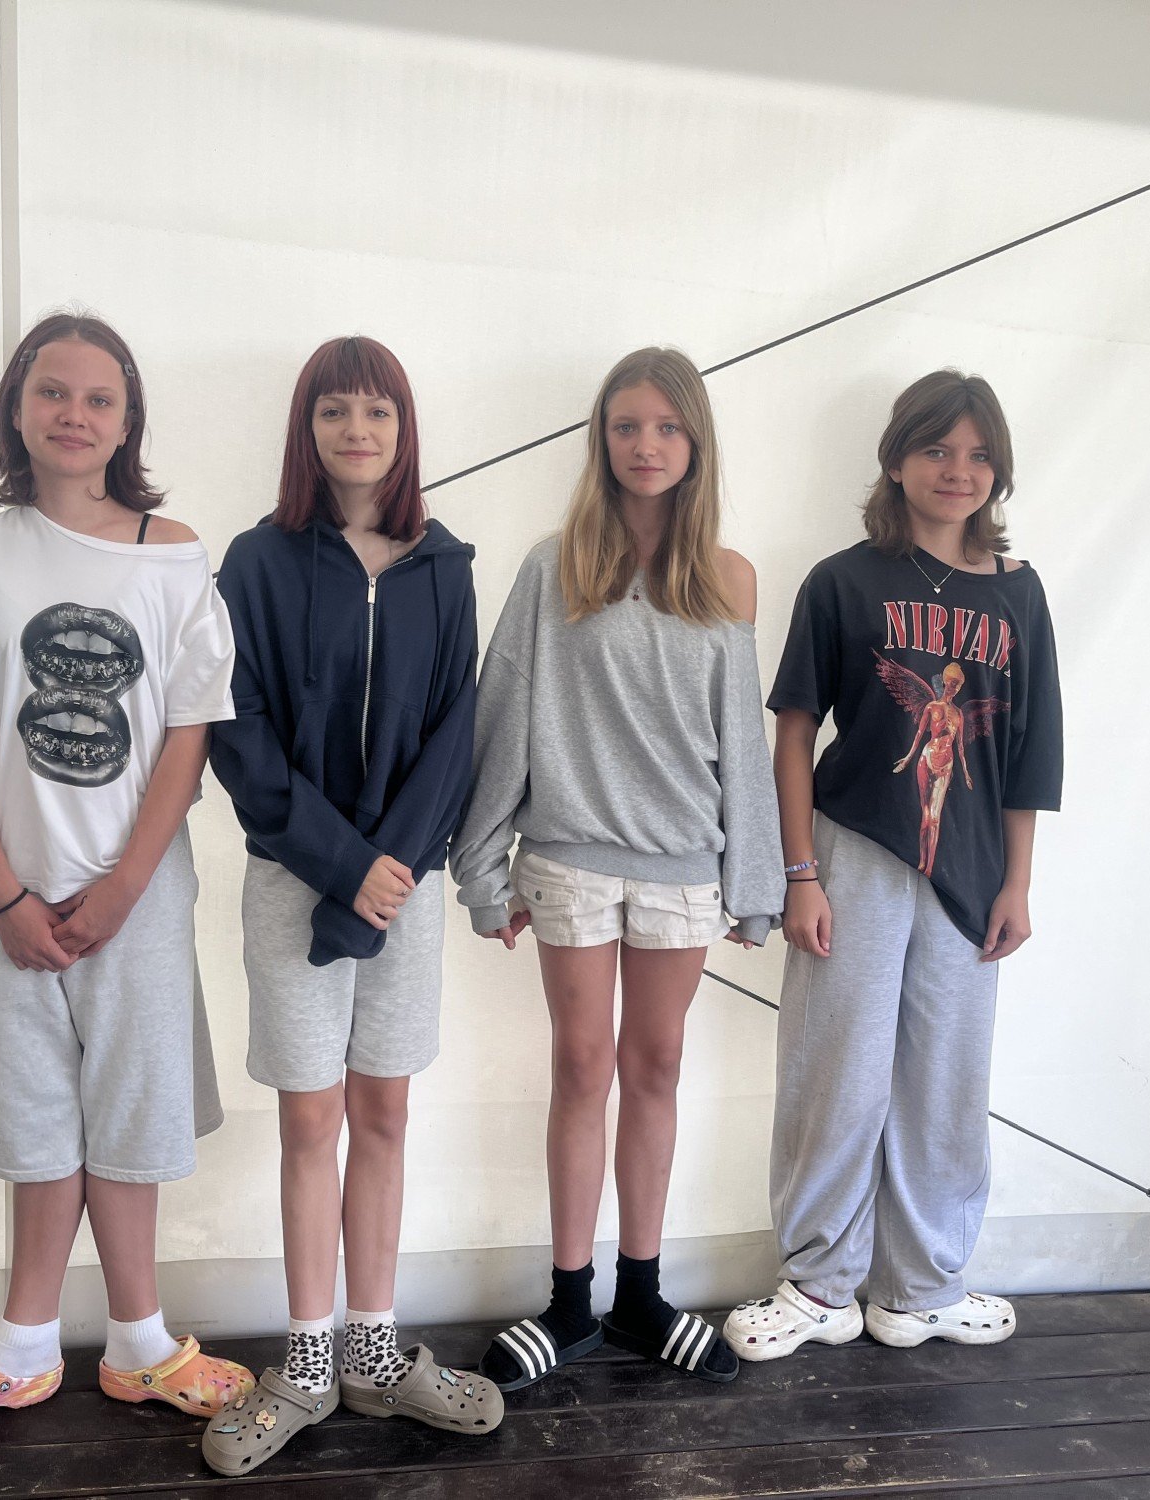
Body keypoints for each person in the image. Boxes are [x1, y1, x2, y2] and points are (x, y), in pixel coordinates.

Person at [0, 312, 250, 1436]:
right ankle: (24, 1345)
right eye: (53, 392)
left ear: (128, 420)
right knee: (34, 1107)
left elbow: (189, 733)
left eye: (99, 398)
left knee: (131, 1104)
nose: (74, 415)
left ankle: (141, 1345)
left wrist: (126, 885)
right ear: (17, 406)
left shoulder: (175, 554)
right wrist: (4, 893)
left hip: (136, 893)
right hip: (8, 891)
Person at [452, 347, 783, 1391]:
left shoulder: (728, 579)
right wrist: (480, 869)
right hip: (568, 862)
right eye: (626, 426)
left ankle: (641, 1294)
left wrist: (756, 885)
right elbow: (502, 714)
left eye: (666, 428)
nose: (646, 446)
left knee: (656, 1068)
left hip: (683, 870)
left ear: (695, 443)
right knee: (581, 1068)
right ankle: (568, 1302)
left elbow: (741, 740)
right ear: (600, 439)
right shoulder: (554, 567)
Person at [203, 335, 500, 1478]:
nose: (357, 431)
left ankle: (374, 1355)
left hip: (404, 888)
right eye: (334, 411)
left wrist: (392, 864)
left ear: (404, 429)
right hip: (294, 882)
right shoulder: (256, 561)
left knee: (382, 1116)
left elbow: (455, 730)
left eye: (377, 411)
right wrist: (341, 862)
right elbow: (238, 731)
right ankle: (307, 1364)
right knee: (309, 1123)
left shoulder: (443, 565)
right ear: (307, 429)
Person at [724, 370, 1063, 1363]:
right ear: (897, 459)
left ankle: (921, 1288)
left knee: (945, 1082)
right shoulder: (842, 580)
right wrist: (798, 873)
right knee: (834, 1072)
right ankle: (819, 1285)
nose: (958, 470)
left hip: (969, 872)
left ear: (998, 469)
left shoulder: (1018, 592)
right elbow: (793, 734)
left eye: (977, 454)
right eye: (936, 449)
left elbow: (1030, 751)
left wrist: (1017, 882)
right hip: (853, 852)